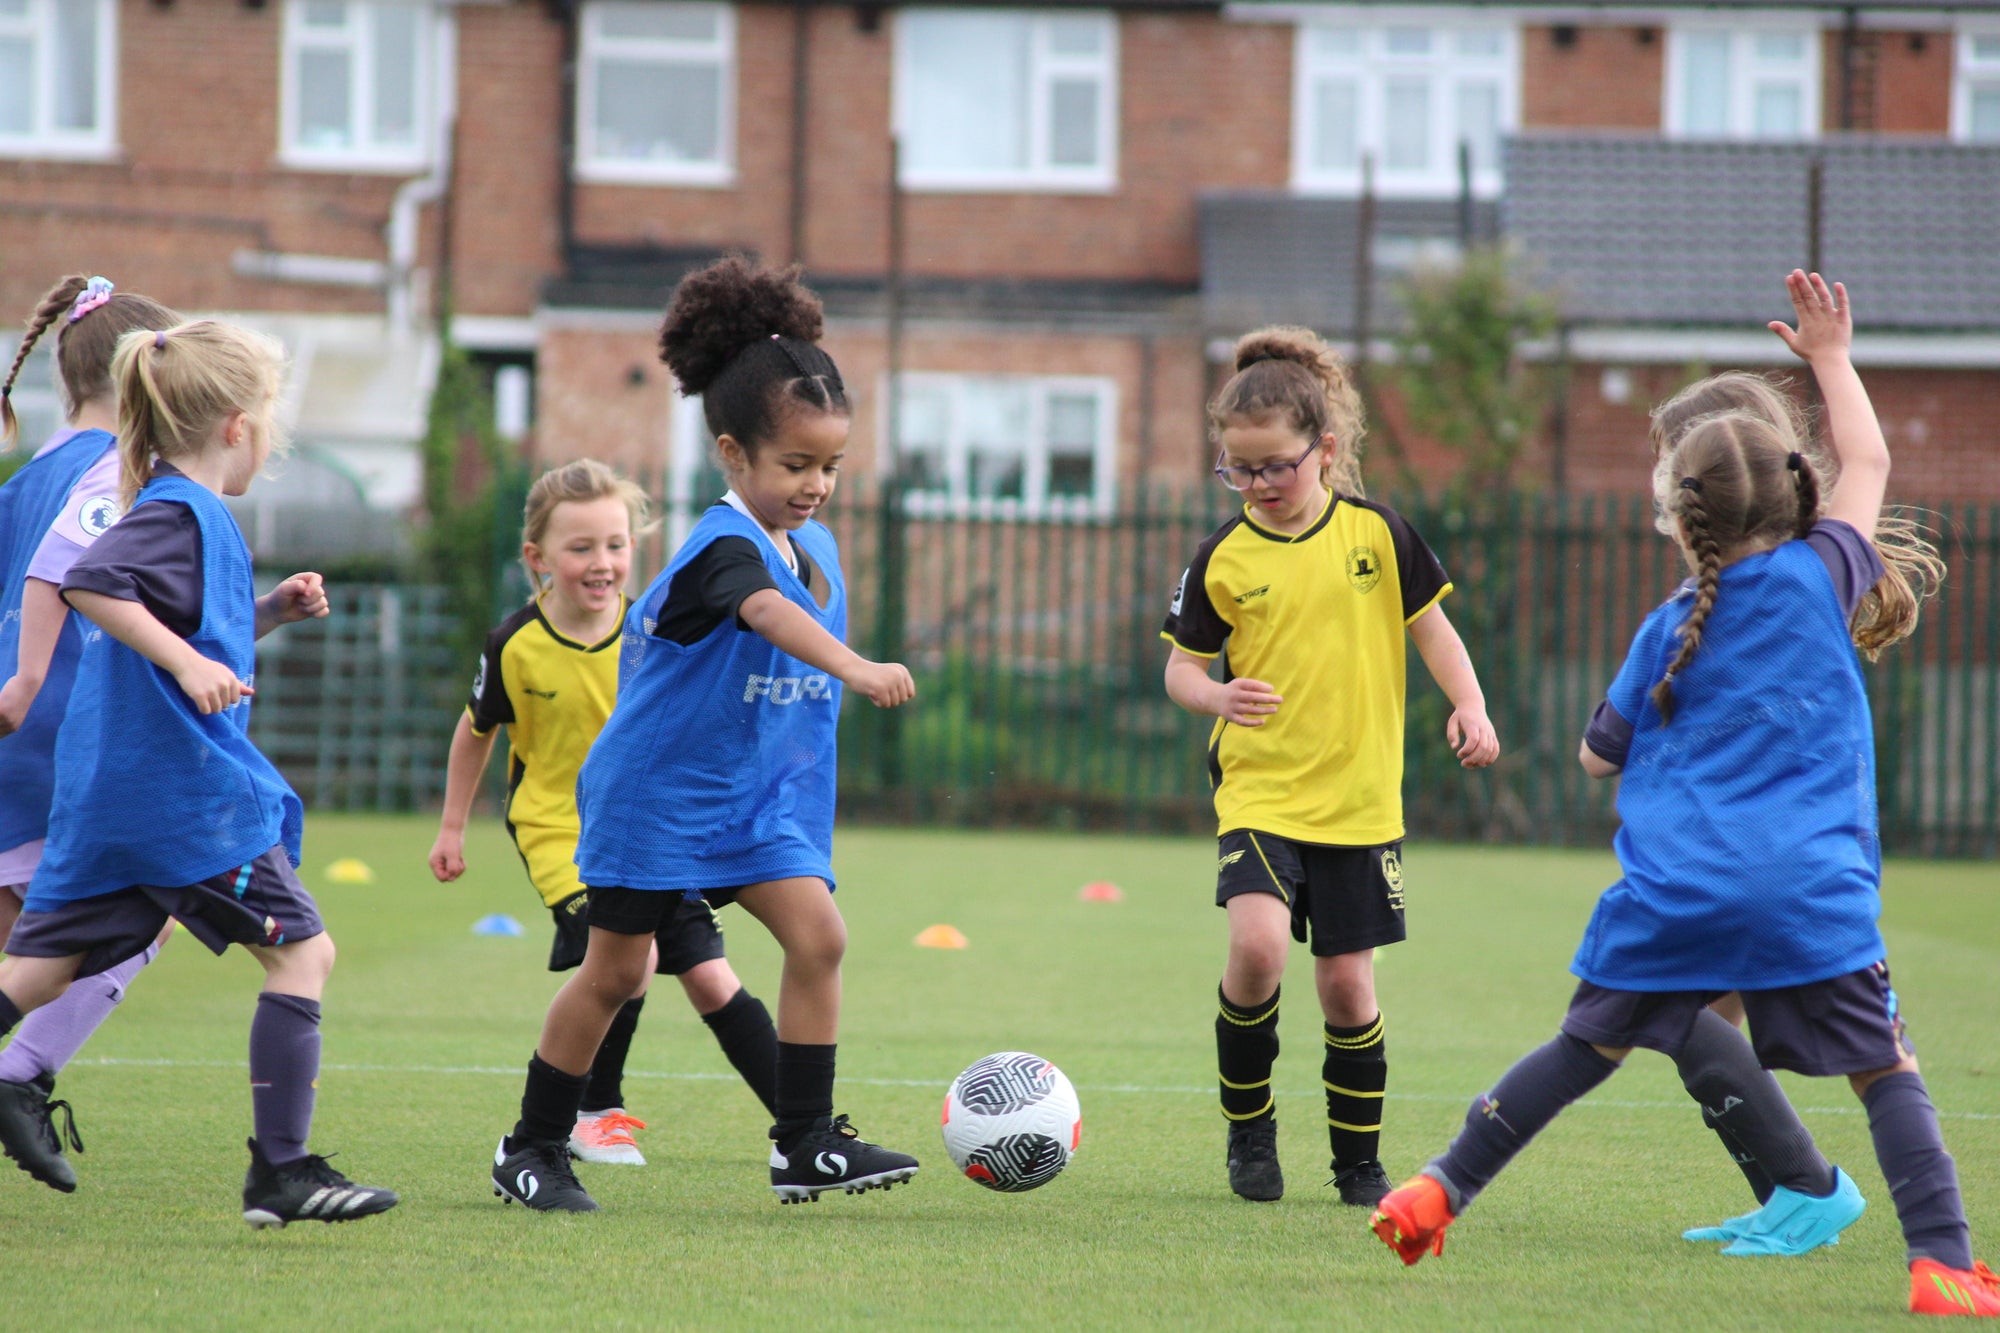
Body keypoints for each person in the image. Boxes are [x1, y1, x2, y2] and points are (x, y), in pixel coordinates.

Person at [1370, 273, 1996, 1319]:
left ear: (1674, 516)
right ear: (1792, 491)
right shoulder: (1821, 574)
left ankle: (1437, 1188)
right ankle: (1939, 1262)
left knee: (1579, 1051)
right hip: (1810, 892)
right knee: (1884, 1071)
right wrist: (1830, 355)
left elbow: (1593, 757)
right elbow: (1872, 460)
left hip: (1675, 896)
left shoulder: (1666, 629)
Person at [488, 257, 919, 1212]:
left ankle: (804, 1141)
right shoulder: (723, 546)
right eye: (794, 465)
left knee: (820, 938)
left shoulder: (819, 544)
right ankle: (531, 1147)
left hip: (753, 801)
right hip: (660, 794)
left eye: (831, 465)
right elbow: (763, 612)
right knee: (617, 971)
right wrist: (853, 664)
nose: (815, 484)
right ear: (734, 454)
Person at [0, 319, 398, 1228]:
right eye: (269, 420)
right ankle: (282, 1172)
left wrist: (264, 615)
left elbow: (170, 630)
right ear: (233, 424)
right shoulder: (182, 509)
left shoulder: (179, 512)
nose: (272, 438)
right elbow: (92, 583)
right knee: (304, 952)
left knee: (37, 970)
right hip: (180, 801)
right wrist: (187, 665)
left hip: (107, 800)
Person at [1159, 326, 1500, 1207]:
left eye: (1277, 465)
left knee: (1349, 987)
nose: (1260, 485)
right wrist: (1217, 698)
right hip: (1261, 788)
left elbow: (1430, 625)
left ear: (1327, 449)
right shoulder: (1222, 558)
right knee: (1258, 943)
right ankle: (1250, 1133)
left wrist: (1469, 703)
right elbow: (1179, 671)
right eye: (1240, 469)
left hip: (1359, 799)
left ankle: (1357, 1163)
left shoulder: (1378, 533)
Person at [430, 458, 779, 1165]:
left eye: (616, 545)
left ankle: (804, 1124)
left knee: (715, 978)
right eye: (581, 547)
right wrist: (451, 825)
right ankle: (594, 1108)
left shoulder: (654, 631)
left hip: (651, 825)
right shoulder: (514, 646)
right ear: (538, 558)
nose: (603, 562)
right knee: (634, 958)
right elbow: (476, 730)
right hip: (561, 830)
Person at [0, 275, 183, 1191]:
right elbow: (79, 583)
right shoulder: (119, 474)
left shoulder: (26, 476)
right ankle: (17, 1075)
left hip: (14, 736)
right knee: (146, 910)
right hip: (66, 740)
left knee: (27, 933)